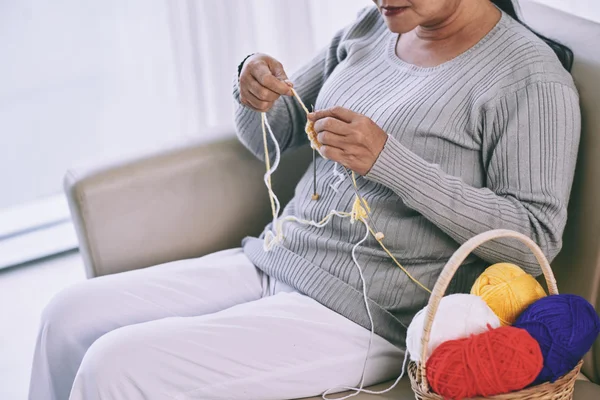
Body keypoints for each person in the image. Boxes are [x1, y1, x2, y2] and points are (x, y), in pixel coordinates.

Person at [29, 1, 580, 399]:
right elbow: (279, 131)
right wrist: (255, 90)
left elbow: (533, 241)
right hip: (277, 255)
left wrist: (390, 161)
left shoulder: (529, 79)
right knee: (66, 317)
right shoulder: (372, 27)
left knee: (114, 367)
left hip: (369, 316)